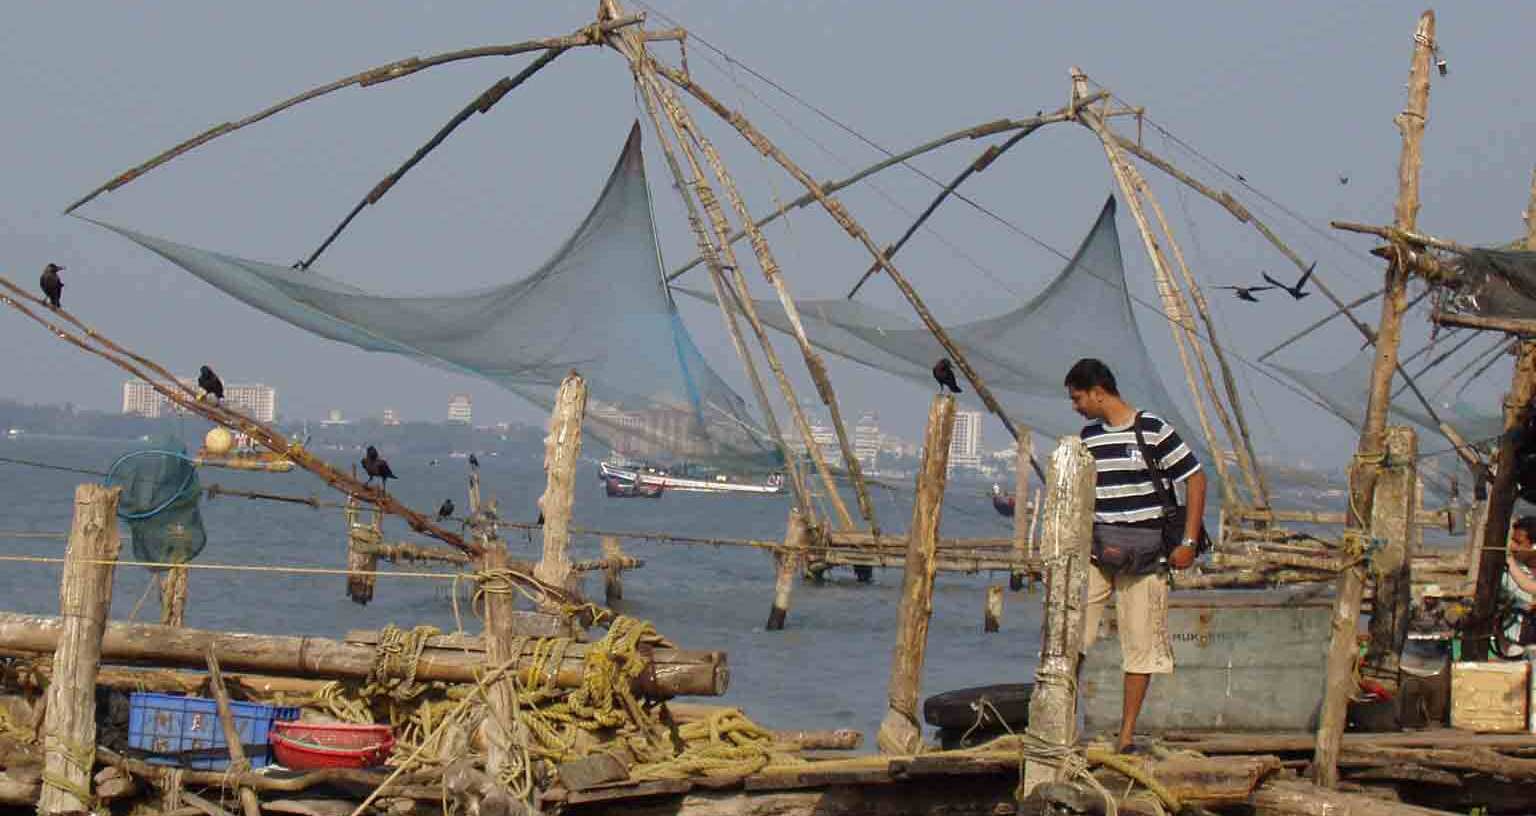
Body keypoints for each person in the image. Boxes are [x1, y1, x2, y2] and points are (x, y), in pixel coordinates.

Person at [1064, 358, 1207, 754]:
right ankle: (1061, 727)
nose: (1076, 407)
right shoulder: (1088, 438)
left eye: (1078, 399)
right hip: (1098, 553)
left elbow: (1195, 477)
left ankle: (1125, 737)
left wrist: (1189, 542)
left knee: (1141, 646)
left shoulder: (1153, 429)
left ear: (1097, 391)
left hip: (1146, 555)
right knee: (1071, 636)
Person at [1499, 516, 1536, 658]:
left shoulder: (1513, 566)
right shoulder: (1507, 570)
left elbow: (1528, 586)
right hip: (1513, 642)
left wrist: (1509, 560)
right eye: (1512, 541)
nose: (1512, 546)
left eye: (1518, 542)